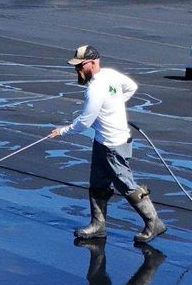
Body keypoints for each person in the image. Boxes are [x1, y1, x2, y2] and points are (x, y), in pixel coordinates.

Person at [48, 45, 165, 244]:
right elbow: (131, 87)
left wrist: (63, 131)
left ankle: (154, 222)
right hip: (102, 142)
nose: (77, 70)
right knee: (98, 183)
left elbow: (85, 121)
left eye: (80, 66)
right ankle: (98, 226)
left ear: (92, 63)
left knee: (126, 185)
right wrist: (114, 105)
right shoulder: (110, 76)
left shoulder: (95, 89)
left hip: (114, 145)